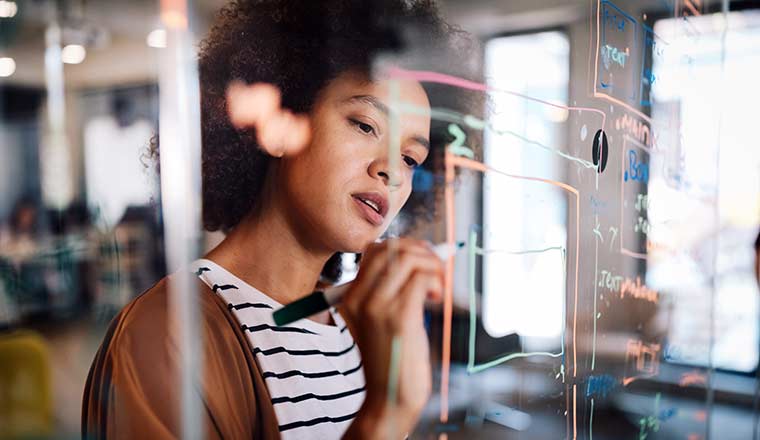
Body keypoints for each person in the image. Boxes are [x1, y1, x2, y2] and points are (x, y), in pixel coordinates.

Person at [82, 1, 480, 439]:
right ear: (279, 125)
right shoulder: (165, 335)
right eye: (366, 126)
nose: (392, 171)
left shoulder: (359, 324)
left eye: (410, 158)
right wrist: (385, 415)